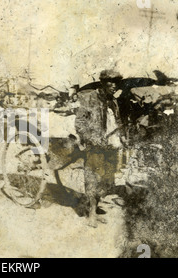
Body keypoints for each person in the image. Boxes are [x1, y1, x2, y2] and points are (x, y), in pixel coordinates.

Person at [75, 69, 127, 228]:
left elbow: (117, 120)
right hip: (95, 145)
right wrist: (93, 138)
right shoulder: (89, 98)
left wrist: (123, 136)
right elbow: (80, 123)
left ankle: (95, 210)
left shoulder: (113, 101)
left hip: (110, 145)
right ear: (103, 83)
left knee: (105, 180)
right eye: (110, 83)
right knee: (93, 179)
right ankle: (91, 214)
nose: (113, 86)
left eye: (116, 83)